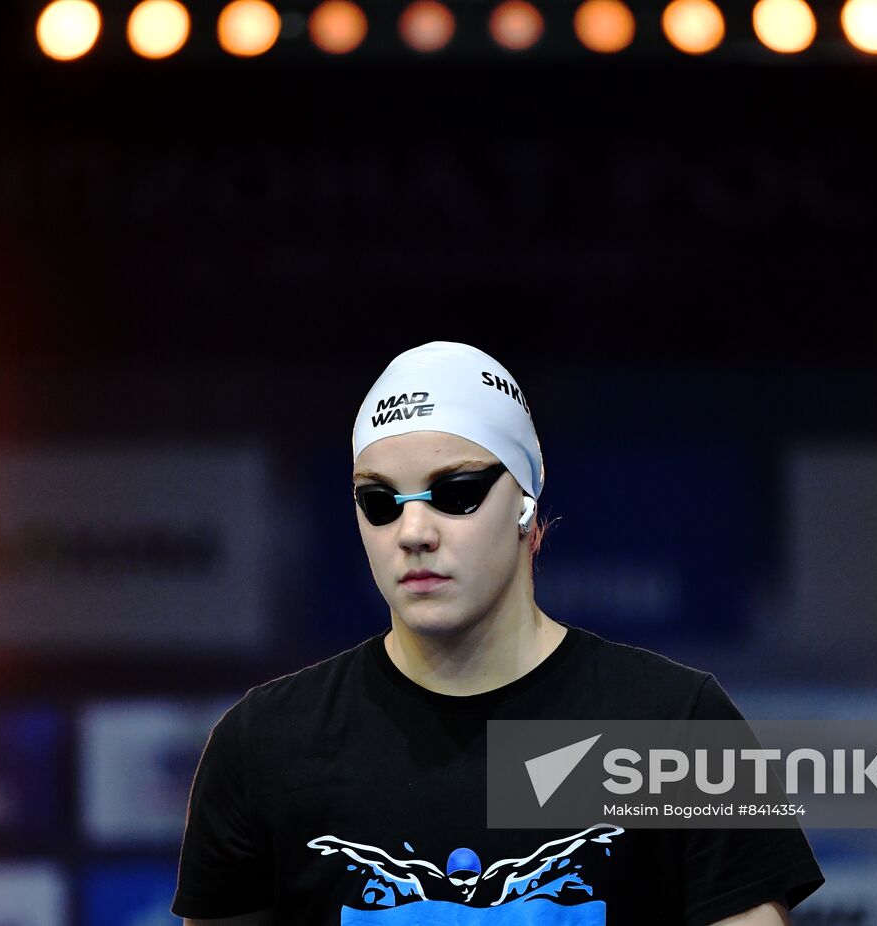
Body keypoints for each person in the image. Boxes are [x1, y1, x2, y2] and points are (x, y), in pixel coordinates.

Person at [171, 341, 824, 925]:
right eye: (379, 501)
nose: (414, 532)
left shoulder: (675, 725)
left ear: (526, 503)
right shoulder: (264, 745)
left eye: (455, 492)